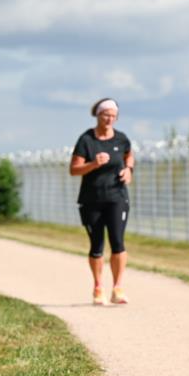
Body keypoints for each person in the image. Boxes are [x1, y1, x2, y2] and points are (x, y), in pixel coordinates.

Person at [69, 98, 134, 305]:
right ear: (98, 115)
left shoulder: (121, 139)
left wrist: (128, 170)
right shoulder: (86, 140)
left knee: (118, 242)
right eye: (106, 115)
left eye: (113, 116)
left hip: (117, 197)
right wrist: (93, 164)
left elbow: (129, 156)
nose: (110, 119)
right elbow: (74, 169)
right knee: (96, 245)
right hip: (92, 199)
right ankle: (98, 287)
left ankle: (118, 287)